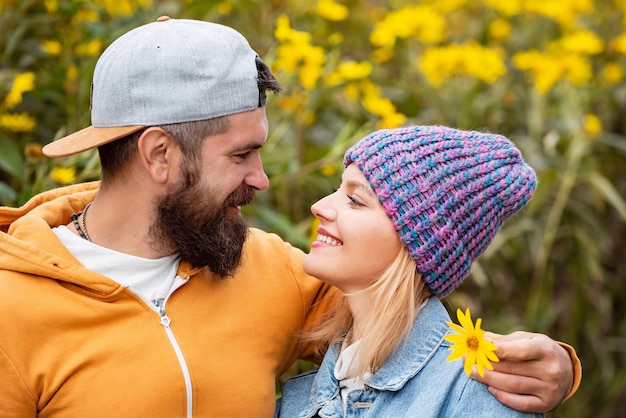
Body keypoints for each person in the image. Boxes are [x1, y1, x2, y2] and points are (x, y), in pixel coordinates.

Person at [0, 17, 579, 417]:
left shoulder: (271, 270)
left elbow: (400, 313)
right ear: (160, 156)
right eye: (240, 154)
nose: (262, 179)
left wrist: (557, 369)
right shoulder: (13, 310)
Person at [276, 125, 562, 417]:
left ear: (416, 245)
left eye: (355, 199)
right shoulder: (297, 399)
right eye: (337, 190)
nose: (319, 206)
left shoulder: (480, 396)